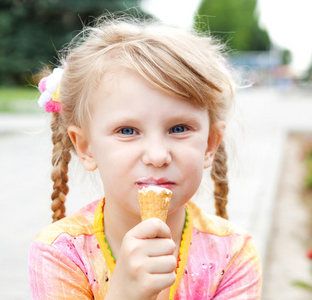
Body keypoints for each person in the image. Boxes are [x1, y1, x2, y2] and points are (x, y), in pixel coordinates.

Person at [29, 15, 262, 300]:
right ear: (85, 147)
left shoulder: (234, 255)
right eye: (127, 130)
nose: (157, 155)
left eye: (179, 128)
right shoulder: (60, 254)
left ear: (210, 144)